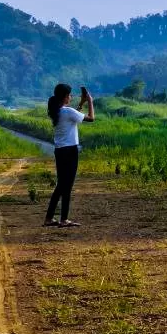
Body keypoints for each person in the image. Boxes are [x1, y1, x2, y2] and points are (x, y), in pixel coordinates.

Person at [45, 83, 94, 227]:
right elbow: (91, 118)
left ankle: (49, 218)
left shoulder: (58, 111)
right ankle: (64, 219)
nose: (71, 97)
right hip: (70, 151)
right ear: (65, 97)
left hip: (60, 151)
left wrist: (81, 103)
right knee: (67, 186)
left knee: (61, 185)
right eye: (70, 95)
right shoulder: (68, 111)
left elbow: (73, 117)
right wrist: (90, 101)